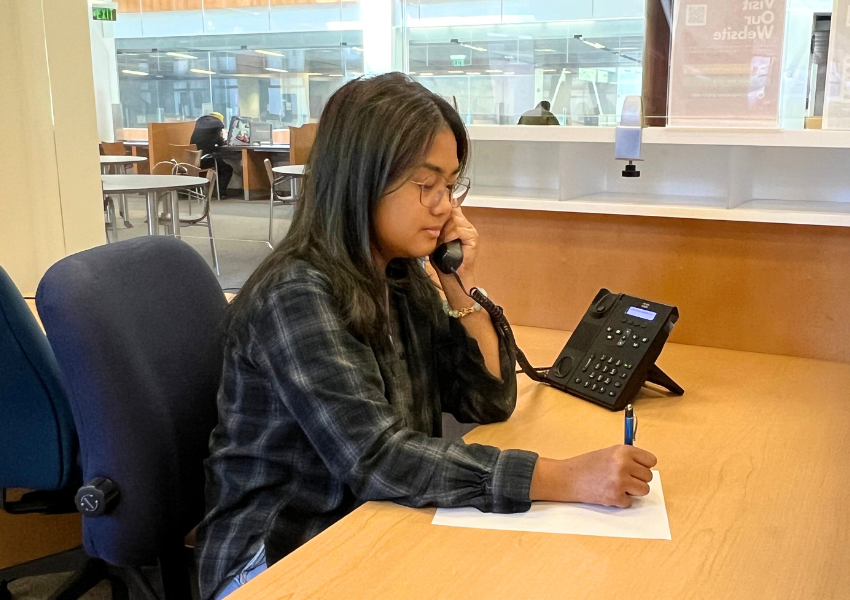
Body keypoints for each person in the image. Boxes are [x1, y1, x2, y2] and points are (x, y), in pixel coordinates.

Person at [195, 73, 657, 600]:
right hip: (277, 560)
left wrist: (460, 286)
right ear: (361, 179)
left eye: (450, 185)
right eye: (426, 184)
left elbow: (487, 400)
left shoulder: (399, 274)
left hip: (370, 521)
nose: (445, 207)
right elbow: (378, 458)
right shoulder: (298, 294)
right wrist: (568, 478)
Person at [190, 112, 234, 197]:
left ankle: (213, 190)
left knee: (220, 165)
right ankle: (220, 193)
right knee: (227, 169)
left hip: (193, 160)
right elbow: (219, 143)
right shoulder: (215, 128)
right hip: (206, 159)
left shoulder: (198, 127)